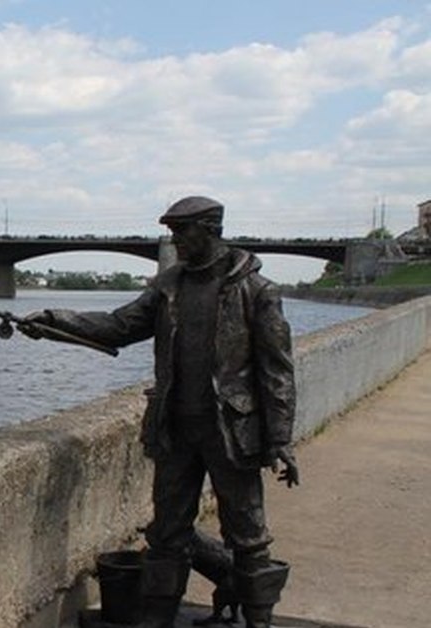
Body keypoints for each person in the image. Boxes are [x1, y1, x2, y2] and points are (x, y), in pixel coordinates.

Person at [19, 196, 299, 628]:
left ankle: (259, 622)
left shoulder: (256, 290)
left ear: (210, 229)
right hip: (176, 430)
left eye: (182, 231)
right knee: (167, 534)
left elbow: (276, 369)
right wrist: (56, 322)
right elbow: (117, 326)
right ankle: (157, 620)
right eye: (172, 232)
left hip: (232, 432)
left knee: (248, 535)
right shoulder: (168, 287)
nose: (175, 241)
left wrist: (279, 439)